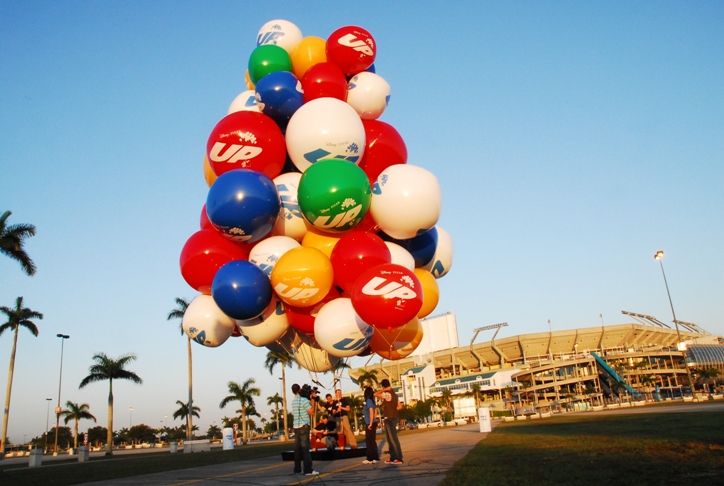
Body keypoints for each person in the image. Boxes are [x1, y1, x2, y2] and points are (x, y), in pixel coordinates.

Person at [291, 384, 319, 476]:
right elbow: (311, 412)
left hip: (296, 426)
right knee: (305, 448)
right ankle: (308, 469)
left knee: (297, 449)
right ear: (300, 390)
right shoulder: (304, 400)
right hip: (304, 425)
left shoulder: (293, 401)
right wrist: (313, 399)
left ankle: (297, 469)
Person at [374, 379, 403, 464]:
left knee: (393, 439)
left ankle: (398, 457)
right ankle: (393, 457)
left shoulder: (387, 393)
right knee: (390, 439)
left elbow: (375, 394)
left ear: (383, 386)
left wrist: (385, 389)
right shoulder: (395, 394)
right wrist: (389, 408)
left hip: (389, 418)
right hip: (393, 416)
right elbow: (400, 407)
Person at [362, 386, 379, 464]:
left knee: (371, 441)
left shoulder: (368, 400)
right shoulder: (372, 400)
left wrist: (371, 423)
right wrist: (374, 419)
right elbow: (375, 411)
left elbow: (371, 411)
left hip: (370, 423)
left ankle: (374, 457)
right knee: (369, 441)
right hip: (371, 422)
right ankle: (370, 457)